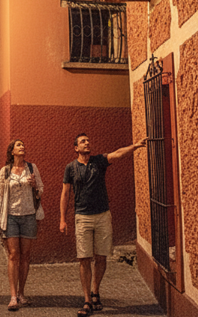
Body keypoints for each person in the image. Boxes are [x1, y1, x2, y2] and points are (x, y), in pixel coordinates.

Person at [60, 133, 147, 317]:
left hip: (102, 216)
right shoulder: (71, 168)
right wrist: (62, 219)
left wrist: (136, 146)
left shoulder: (98, 161)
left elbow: (117, 154)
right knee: (84, 258)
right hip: (82, 217)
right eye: (83, 141)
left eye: (88, 140)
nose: (87, 142)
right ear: (76, 148)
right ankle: (86, 300)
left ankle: (95, 291)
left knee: (101, 257)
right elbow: (65, 194)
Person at [0, 139, 44, 311]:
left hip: (29, 215)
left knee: (25, 255)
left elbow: (41, 190)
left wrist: (35, 185)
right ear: (12, 151)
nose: (22, 147)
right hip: (11, 217)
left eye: (23, 144)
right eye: (18, 145)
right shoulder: (5, 171)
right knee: (13, 255)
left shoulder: (32, 168)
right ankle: (13, 295)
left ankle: (22, 293)